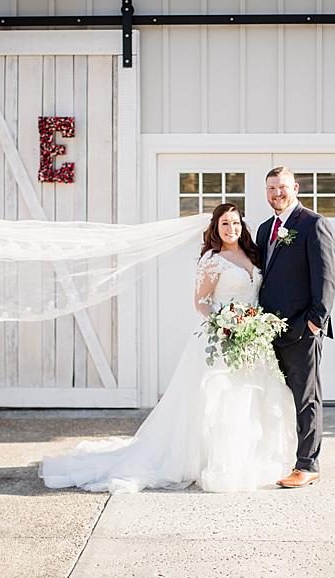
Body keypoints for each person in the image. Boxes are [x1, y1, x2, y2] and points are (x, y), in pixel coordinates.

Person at [39, 203, 297, 493]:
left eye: (235, 223)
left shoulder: (252, 254)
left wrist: (253, 325)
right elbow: (201, 301)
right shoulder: (213, 259)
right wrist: (225, 324)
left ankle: (250, 458)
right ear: (215, 227)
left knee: (252, 399)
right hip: (222, 337)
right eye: (225, 224)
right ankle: (215, 462)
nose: (231, 229)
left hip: (252, 340)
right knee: (220, 402)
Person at [256, 166, 335, 488]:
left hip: (302, 329)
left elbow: (327, 277)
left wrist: (315, 322)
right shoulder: (265, 229)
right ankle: (279, 458)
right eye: (272, 188)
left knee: (307, 399)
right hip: (268, 332)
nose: (277, 193)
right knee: (275, 398)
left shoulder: (313, 224)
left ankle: (308, 464)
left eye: (283, 187)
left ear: (296, 188)